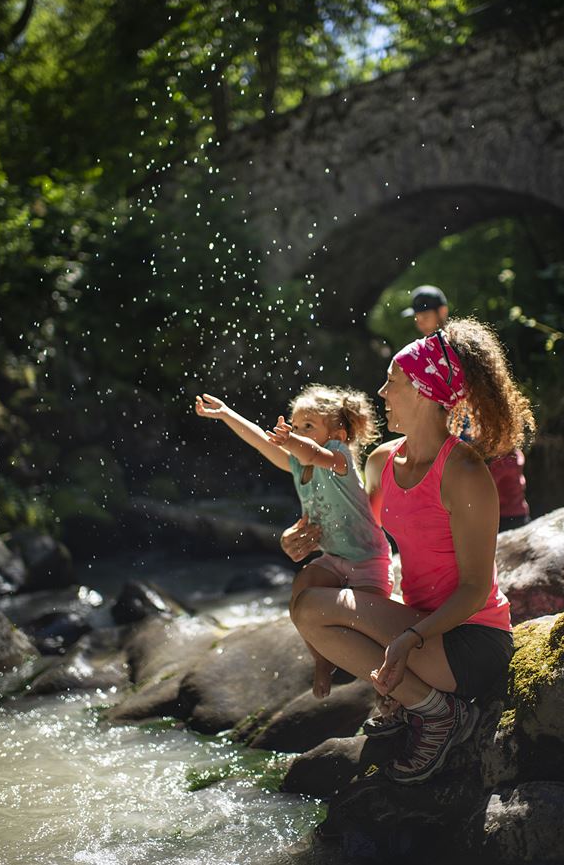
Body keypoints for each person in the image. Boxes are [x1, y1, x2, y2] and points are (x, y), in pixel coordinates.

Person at [281, 319, 535, 783]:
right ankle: (424, 704)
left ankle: (438, 713)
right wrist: (300, 539)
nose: (381, 392)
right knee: (307, 605)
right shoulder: (380, 462)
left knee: (314, 609)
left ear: (422, 391)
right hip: (416, 627)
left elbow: (476, 590)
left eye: (392, 381)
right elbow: (358, 542)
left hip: (470, 640)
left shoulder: (464, 472)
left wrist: (410, 638)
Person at [194, 384, 393, 698]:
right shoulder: (298, 465)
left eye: (308, 426)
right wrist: (226, 414)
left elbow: (313, 452)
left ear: (338, 436)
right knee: (303, 586)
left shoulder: (338, 461)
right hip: (333, 559)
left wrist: (290, 439)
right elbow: (261, 442)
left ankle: (390, 690)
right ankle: (321, 660)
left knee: (371, 632)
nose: (296, 431)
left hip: (368, 561)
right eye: (295, 424)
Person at [402, 283, 531, 531]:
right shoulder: (427, 353)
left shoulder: (462, 347)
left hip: (485, 440)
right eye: (417, 317)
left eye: (425, 316)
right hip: (461, 447)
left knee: (502, 507)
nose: (420, 322)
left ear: (443, 312)